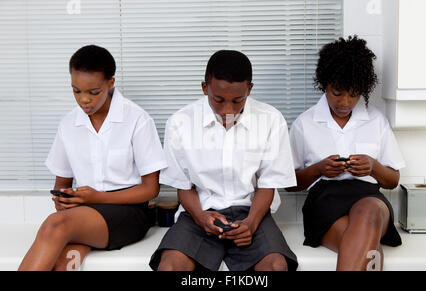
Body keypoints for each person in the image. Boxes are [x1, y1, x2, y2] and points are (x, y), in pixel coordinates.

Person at [19, 45, 167, 271]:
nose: (84, 100)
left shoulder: (136, 119)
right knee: (64, 261)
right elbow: (62, 184)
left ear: (110, 83)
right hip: (85, 213)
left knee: (54, 226)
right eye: (76, 91)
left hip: (129, 213)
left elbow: (151, 189)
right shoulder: (68, 124)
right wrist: (63, 199)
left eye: (93, 92)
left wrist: (96, 197)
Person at [149, 50, 299, 271]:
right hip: (199, 213)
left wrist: (251, 223)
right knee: (170, 266)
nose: (227, 110)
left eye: (237, 100)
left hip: (252, 213)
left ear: (249, 89)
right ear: (204, 88)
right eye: (218, 99)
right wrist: (200, 217)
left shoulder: (271, 120)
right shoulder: (180, 122)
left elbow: (268, 185)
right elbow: (183, 187)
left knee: (276, 266)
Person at [288, 36, 405, 271]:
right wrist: (319, 169)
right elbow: (289, 184)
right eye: (337, 92)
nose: (345, 102)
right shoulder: (305, 123)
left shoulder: (376, 121)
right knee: (371, 255)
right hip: (324, 203)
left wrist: (373, 166)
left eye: (354, 94)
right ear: (324, 84)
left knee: (368, 210)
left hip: (370, 199)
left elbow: (393, 181)